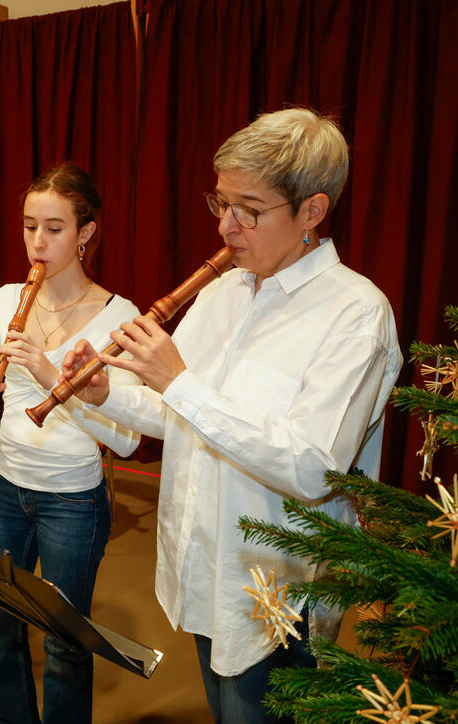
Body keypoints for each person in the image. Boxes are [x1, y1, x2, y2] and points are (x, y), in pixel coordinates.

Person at [62, 108, 402, 723]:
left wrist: (180, 382)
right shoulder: (223, 292)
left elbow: (314, 468)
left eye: (249, 208)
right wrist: (104, 394)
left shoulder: (356, 313)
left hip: (280, 590)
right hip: (204, 563)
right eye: (221, 201)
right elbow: (178, 414)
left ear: (313, 211)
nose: (225, 226)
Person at [0, 163, 141, 724]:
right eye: (29, 225)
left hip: (72, 502)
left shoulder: (120, 317)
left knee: (64, 643)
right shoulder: (7, 298)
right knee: (0, 629)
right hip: (5, 487)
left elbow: (126, 441)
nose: (37, 241)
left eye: (54, 228)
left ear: (85, 233)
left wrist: (49, 367)